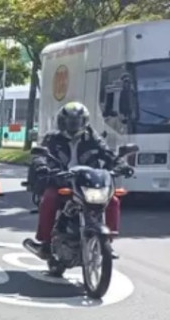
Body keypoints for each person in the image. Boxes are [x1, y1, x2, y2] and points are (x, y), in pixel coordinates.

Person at [24, 102, 123, 260]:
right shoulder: (52, 139)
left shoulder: (92, 138)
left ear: (84, 122)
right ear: (62, 122)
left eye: (77, 121)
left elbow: (108, 154)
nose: (73, 125)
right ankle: (45, 243)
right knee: (49, 200)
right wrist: (42, 166)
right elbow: (40, 156)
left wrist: (121, 165)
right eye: (69, 121)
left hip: (87, 182)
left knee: (113, 201)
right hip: (60, 180)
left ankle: (107, 242)